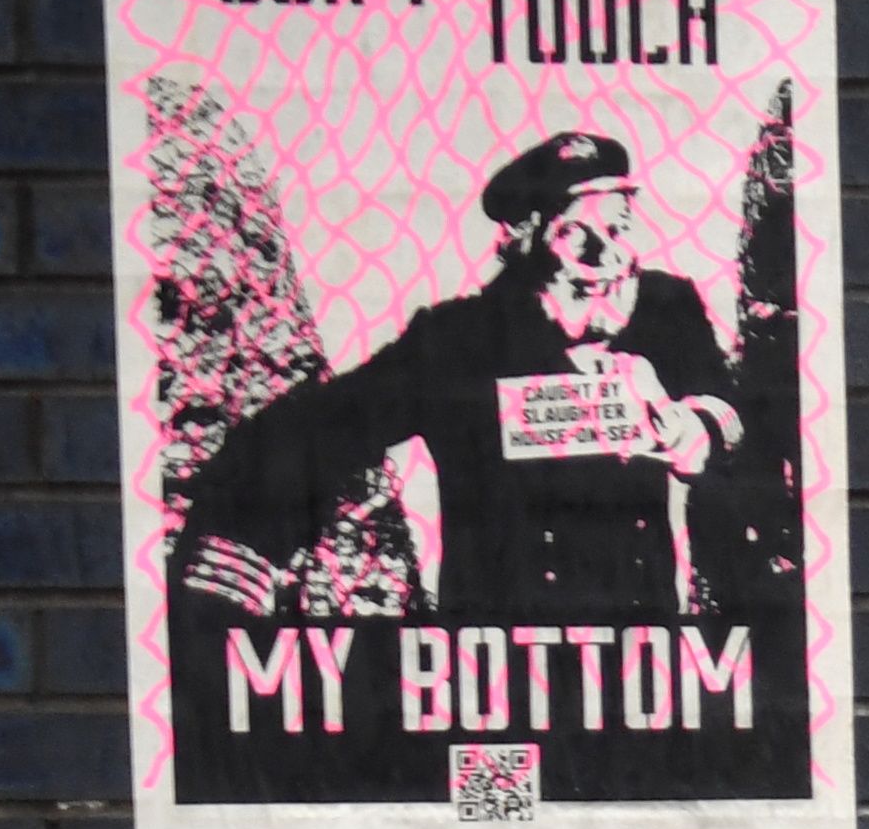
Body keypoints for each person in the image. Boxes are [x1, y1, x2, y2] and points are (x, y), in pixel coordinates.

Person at [170, 129, 760, 621]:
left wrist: (699, 428)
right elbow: (327, 425)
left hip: (640, 652)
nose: (609, 256)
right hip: (496, 659)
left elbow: (729, 407)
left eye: (621, 226)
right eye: (577, 233)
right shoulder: (462, 341)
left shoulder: (664, 309)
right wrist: (239, 545)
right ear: (525, 240)